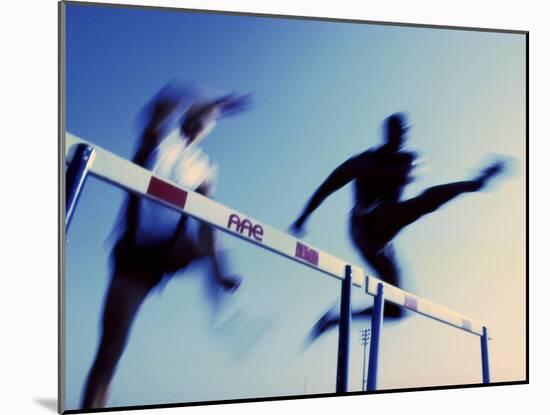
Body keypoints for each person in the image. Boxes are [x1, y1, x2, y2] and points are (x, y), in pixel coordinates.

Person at [80, 84, 250, 409]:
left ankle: (221, 306)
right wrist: (214, 101)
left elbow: (208, 222)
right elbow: (164, 101)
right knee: (111, 349)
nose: (205, 119)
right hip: (134, 256)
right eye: (201, 112)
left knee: (208, 237)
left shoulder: (205, 168)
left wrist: (220, 271)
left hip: (171, 252)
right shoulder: (162, 138)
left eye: (211, 117)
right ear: (189, 114)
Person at [290, 112, 505, 341]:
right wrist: (303, 217)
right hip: (364, 228)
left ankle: (336, 319)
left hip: (382, 241)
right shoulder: (363, 162)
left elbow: (415, 178)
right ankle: (476, 183)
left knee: (398, 309)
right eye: (399, 132)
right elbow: (327, 187)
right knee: (421, 202)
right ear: (389, 133)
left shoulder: (407, 160)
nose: (403, 138)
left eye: (405, 132)